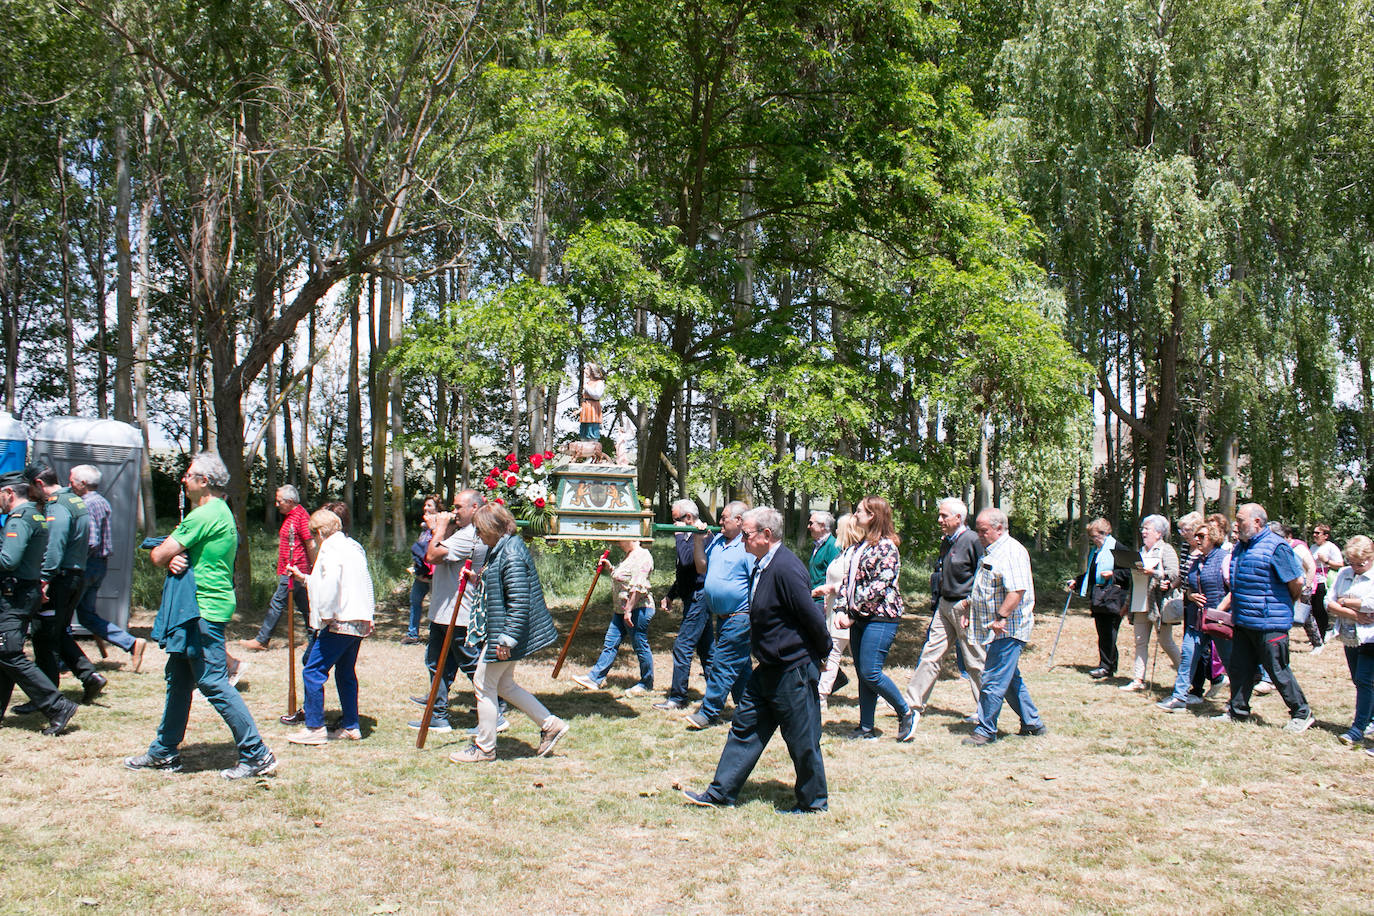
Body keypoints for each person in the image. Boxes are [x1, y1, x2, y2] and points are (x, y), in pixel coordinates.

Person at [125, 452, 277, 779]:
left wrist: (168, 556)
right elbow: (176, 554)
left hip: (201, 611)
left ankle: (257, 754)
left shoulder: (204, 514)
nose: (183, 479)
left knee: (212, 681)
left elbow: (159, 554)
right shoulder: (220, 512)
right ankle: (164, 752)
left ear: (204, 481)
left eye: (189, 474)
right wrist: (174, 558)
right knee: (179, 680)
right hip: (200, 608)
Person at [682, 506, 831, 812]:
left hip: (793, 668)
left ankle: (813, 803)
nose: (743, 540)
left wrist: (823, 654)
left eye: (747, 534)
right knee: (744, 727)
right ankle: (720, 794)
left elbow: (812, 617)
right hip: (767, 668)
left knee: (801, 739)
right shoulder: (762, 564)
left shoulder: (786, 568)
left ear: (766, 534)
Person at [448, 503, 568, 763]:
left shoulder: (511, 553)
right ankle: (551, 724)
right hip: (507, 631)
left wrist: (506, 640)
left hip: (507, 633)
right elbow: (501, 587)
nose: (478, 536)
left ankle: (485, 748)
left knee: (483, 684)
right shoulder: (503, 548)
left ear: (493, 528)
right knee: (503, 685)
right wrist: (476, 579)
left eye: (480, 530)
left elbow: (519, 601)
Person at [1214, 503, 1314, 732]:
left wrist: (1281, 606)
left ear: (1257, 522)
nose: (1237, 525)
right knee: (1240, 668)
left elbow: (1296, 582)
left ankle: (1302, 713)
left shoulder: (1277, 547)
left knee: (1277, 669)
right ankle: (1237, 711)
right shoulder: (1241, 547)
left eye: (1241, 520)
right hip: (1243, 621)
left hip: (1271, 623)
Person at [284, 509, 374, 745]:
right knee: (345, 673)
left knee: (313, 671)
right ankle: (351, 725)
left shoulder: (329, 549)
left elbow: (331, 585)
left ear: (320, 532)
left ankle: (315, 727)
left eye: (313, 534)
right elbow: (361, 581)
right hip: (358, 619)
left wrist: (324, 616)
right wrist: (304, 578)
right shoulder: (353, 547)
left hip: (338, 620)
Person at [0, 468, 78, 735]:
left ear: (9, 493)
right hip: (22, 592)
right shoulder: (34, 514)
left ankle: (57, 706)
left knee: (8, 652)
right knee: (4, 653)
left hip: (15, 595)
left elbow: (8, 560)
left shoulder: (20, 518)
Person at [958, 507, 1045, 745]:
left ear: (999, 528)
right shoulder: (991, 551)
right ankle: (1032, 722)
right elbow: (986, 588)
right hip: (995, 627)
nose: (979, 535)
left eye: (983, 530)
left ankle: (985, 731)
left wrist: (1001, 617)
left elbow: (1017, 590)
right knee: (1010, 680)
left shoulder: (1011, 552)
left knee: (993, 679)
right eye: (978, 530)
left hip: (1009, 629)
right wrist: (969, 609)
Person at [834, 495, 916, 742]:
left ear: (872, 516)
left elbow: (879, 587)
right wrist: (841, 609)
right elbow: (847, 582)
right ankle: (866, 727)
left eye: (859, 511)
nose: (855, 515)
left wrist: (852, 613)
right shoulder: (859, 546)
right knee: (863, 674)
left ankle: (906, 712)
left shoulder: (887, 547)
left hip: (881, 618)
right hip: (860, 618)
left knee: (871, 672)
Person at [902, 497, 984, 729]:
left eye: (944, 516)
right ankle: (911, 704)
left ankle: (986, 711)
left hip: (965, 608)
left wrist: (971, 602)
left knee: (975, 661)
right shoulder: (947, 542)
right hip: (944, 605)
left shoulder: (973, 540)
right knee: (931, 654)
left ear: (959, 518)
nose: (939, 520)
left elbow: (982, 574)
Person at [410, 489, 488, 734]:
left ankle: (495, 711)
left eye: (458, 507)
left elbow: (432, 555)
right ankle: (438, 716)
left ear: (474, 508)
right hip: (444, 612)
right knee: (438, 665)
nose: (454, 512)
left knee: (472, 666)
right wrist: (442, 529)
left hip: (458, 614)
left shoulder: (470, 535)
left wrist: (440, 528)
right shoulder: (464, 533)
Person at [31, 466, 106, 705]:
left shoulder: (58, 505)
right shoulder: (74, 500)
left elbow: (55, 544)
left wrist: (44, 579)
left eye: (30, 488)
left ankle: (46, 695)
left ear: (39, 484)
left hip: (60, 578)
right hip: (75, 575)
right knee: (57, 631)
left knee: (44, 634)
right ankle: (89, 676)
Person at [684, 501, 755, 730]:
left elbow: (757, 581)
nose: (720, 521)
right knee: (740, 667)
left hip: (740, 616)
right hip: (722, 618)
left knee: (722, 665)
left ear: (739, 521)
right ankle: (750, 709)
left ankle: (708, 712)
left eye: (725, 517)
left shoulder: (747, 547)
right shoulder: (717, 542)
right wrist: (698, 540)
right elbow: (701, 567)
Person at [68, 464, 146, 672]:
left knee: (62, 613)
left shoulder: (86, 504)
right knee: (86, 615)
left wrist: (72, 561)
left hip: (85, 566)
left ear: (83, 483)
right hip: (99, 566)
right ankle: (131, 643)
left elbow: (91, 541)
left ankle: (62, 661)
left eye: (72, 480)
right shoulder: (102, 501)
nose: (69, 484)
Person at [1159, 514, 1230, 711]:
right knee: (1188, 655)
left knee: (1229, 660)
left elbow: (1234, 590)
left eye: (1202, 536)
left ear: (1213, 538)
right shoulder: (1196, 560)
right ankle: (1179, 697)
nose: (1197, 539)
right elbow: (1188, 585)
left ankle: (1237, 701)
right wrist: (1190, 595)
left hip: (1218, 620)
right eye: (1196, 536)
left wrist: (1218, 611)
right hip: (1196, 619)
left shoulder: (1224, 559)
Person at [572, 538, 655, 695]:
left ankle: (647, 682)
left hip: (638, 609)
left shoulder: (643, 556)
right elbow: (623, 580)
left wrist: (629, 611)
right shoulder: (628, 555)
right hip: (621, 610)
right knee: (610, 643)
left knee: (640, 645)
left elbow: (638, 587)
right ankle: (594, 679)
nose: (618, 544)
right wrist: (610, 568)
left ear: (632, 538)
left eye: (620, 541)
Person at [239, 485, 316, 652]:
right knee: (305, 606)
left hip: (295, 569)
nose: (276, 504)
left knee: (277, 602)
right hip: (290, 568)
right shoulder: (290, 516)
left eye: (279, 501)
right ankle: (314, 638)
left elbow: (310, 542)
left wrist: (314, 566)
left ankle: (262, 639)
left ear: (290, 501)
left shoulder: (301, 517)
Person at [655, 499, 712, 712]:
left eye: (676, 520)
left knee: (683, 646)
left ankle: (678, 697)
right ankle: (717, 693)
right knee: (707, 650)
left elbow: (688, 561)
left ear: (688, 518)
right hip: (691, 597)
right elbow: (684, 572)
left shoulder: (703, 536)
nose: (673, 525)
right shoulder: (688, 535)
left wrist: (679, 535)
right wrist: (671, 594)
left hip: (700, 598)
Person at [1121, 515, 1181, 692]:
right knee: (1140, 642)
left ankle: (1185, 675)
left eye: (1148, 529)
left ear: (1159, 533)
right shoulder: (1141, 551)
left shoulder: (1166, 550)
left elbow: (1174, 573)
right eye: (1143, 529)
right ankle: (1138, 679)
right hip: (1139, 603)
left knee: (1165, 642)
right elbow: (1134, 581)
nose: (1144, 532)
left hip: (1158, 605)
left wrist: (1154, 573)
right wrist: (1127, 603)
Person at [1324, 535, 1374, 747]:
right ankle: (1370, 719)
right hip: (1350, 635)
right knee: (1359, 680)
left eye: (1360, 564)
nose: (1355, 568)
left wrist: (1344, 601)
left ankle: (1358, 728)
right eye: (1352, 563)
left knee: (1364, 680)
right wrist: (1353, 612)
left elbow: (1371, 604)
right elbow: (1328, 601)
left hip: (1370, 637)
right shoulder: (1344, 573)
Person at [1068, 519, 1130, 679]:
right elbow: (1092, 573)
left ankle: (1106, 667)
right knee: (1103, 633)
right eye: (1092, 537)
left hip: (1114, 597)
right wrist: (1077, 581)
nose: (1094, 540)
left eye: (1095, 537)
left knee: (1109, 632)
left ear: (1105, 533)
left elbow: (1130, 573)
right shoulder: (1097, 551)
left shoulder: (1119, 548)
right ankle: (1108, 665)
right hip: (1100, 597)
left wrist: (1113, 574)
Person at [812, 513, 859, 709]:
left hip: (847, 613)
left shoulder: (855, 555)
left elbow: (855, 584)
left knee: (838, 654)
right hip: (833, 610)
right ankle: (821, 696)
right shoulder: (843, 553)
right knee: (836, 653)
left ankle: (821, 696)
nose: (836, 530)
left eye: (839, 527)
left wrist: (828, 589)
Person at [404, 495, 441, 646]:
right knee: (415, 601)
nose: (425, 508)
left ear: (437, 509)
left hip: (434, 574)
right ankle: (412, 634)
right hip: (421, 573)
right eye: (425, 505)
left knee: (435, 604)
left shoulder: (440, 527)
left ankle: (435, 635)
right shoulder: (424, 528)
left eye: (429, 505)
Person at [1311, 524, 1344, 647]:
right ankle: (1318, 634)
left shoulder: (1331, 547)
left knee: (1321, 608)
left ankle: (1325, 632)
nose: (1314, 535)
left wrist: (1326, 561)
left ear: (1325, 536)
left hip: (1324, 580)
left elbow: (1340, 564)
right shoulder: (1313, 547)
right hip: (1313, 581)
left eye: (1317, 533)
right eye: (1313, 532)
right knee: (1314, 609)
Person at [806, 511, 840, 606]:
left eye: (811, 523)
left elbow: (836, 577)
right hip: (813, 599)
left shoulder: (833, 546)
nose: (808, 527)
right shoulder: (818, 545)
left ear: (822, 526)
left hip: (823, 602)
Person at [579, 362, 605, 440]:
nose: (584, 371)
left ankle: (592, 442)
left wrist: (587, 387)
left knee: (592, 429)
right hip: (586, 409)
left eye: (587, 369)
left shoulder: (599, 383)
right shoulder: (587, 383)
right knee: (584, 431)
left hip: (593, 409)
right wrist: (580, 409)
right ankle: (584, 441)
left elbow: (597, 395)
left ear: (592, 371)